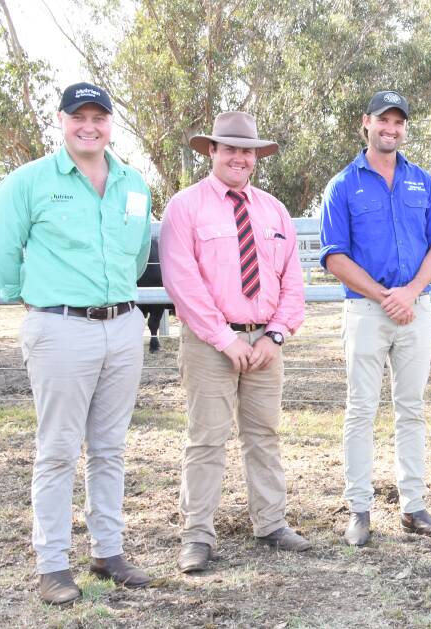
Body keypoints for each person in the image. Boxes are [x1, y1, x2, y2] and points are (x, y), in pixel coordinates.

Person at [0, 82, 152, 605]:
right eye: (79, 116)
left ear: (110, 124)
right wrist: (30, 299)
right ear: (61, 120)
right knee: (57, 450)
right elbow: (1, 255)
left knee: (110, 448)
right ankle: (52, 564)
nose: (90, 125)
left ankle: (109, 551)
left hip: (122, 327)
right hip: (59, 328)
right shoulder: (26, 183)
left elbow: (140, 252)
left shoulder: (134, 183)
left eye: (99, 116)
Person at [159, 111, 309, 573]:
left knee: (264, 435)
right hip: (210, 342)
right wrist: (225, 340)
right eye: (230, 149)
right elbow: (183, 282)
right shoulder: (184, 207)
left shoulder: (273, 210)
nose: (240, 158)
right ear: (212, 151)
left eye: (248, 151)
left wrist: (276, 336)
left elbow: (293, 282)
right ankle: (197, 535)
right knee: (206, 438)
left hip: (264, 341)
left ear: (256, 157)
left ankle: (270, 523)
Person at [320, 89, 431, 545]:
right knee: (361, 409)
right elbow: (333, 256)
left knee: (411, 408)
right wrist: (384, 295)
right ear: (366, 123)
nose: (390, 129)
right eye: (383, 120)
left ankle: (413, 506)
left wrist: (411, 293)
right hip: (365, 310)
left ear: (404, 128)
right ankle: (359, 509)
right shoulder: (343, 185)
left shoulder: (423, 182)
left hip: (416, 309)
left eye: (398, 122)